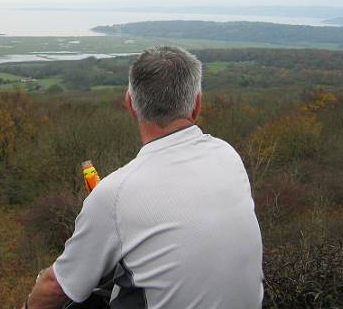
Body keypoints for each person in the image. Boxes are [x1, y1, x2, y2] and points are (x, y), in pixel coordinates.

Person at [22, 46, 263, 309]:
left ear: (130, 104)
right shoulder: (227, 155)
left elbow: (56, 286)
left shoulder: (115, 193)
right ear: (196, 105)